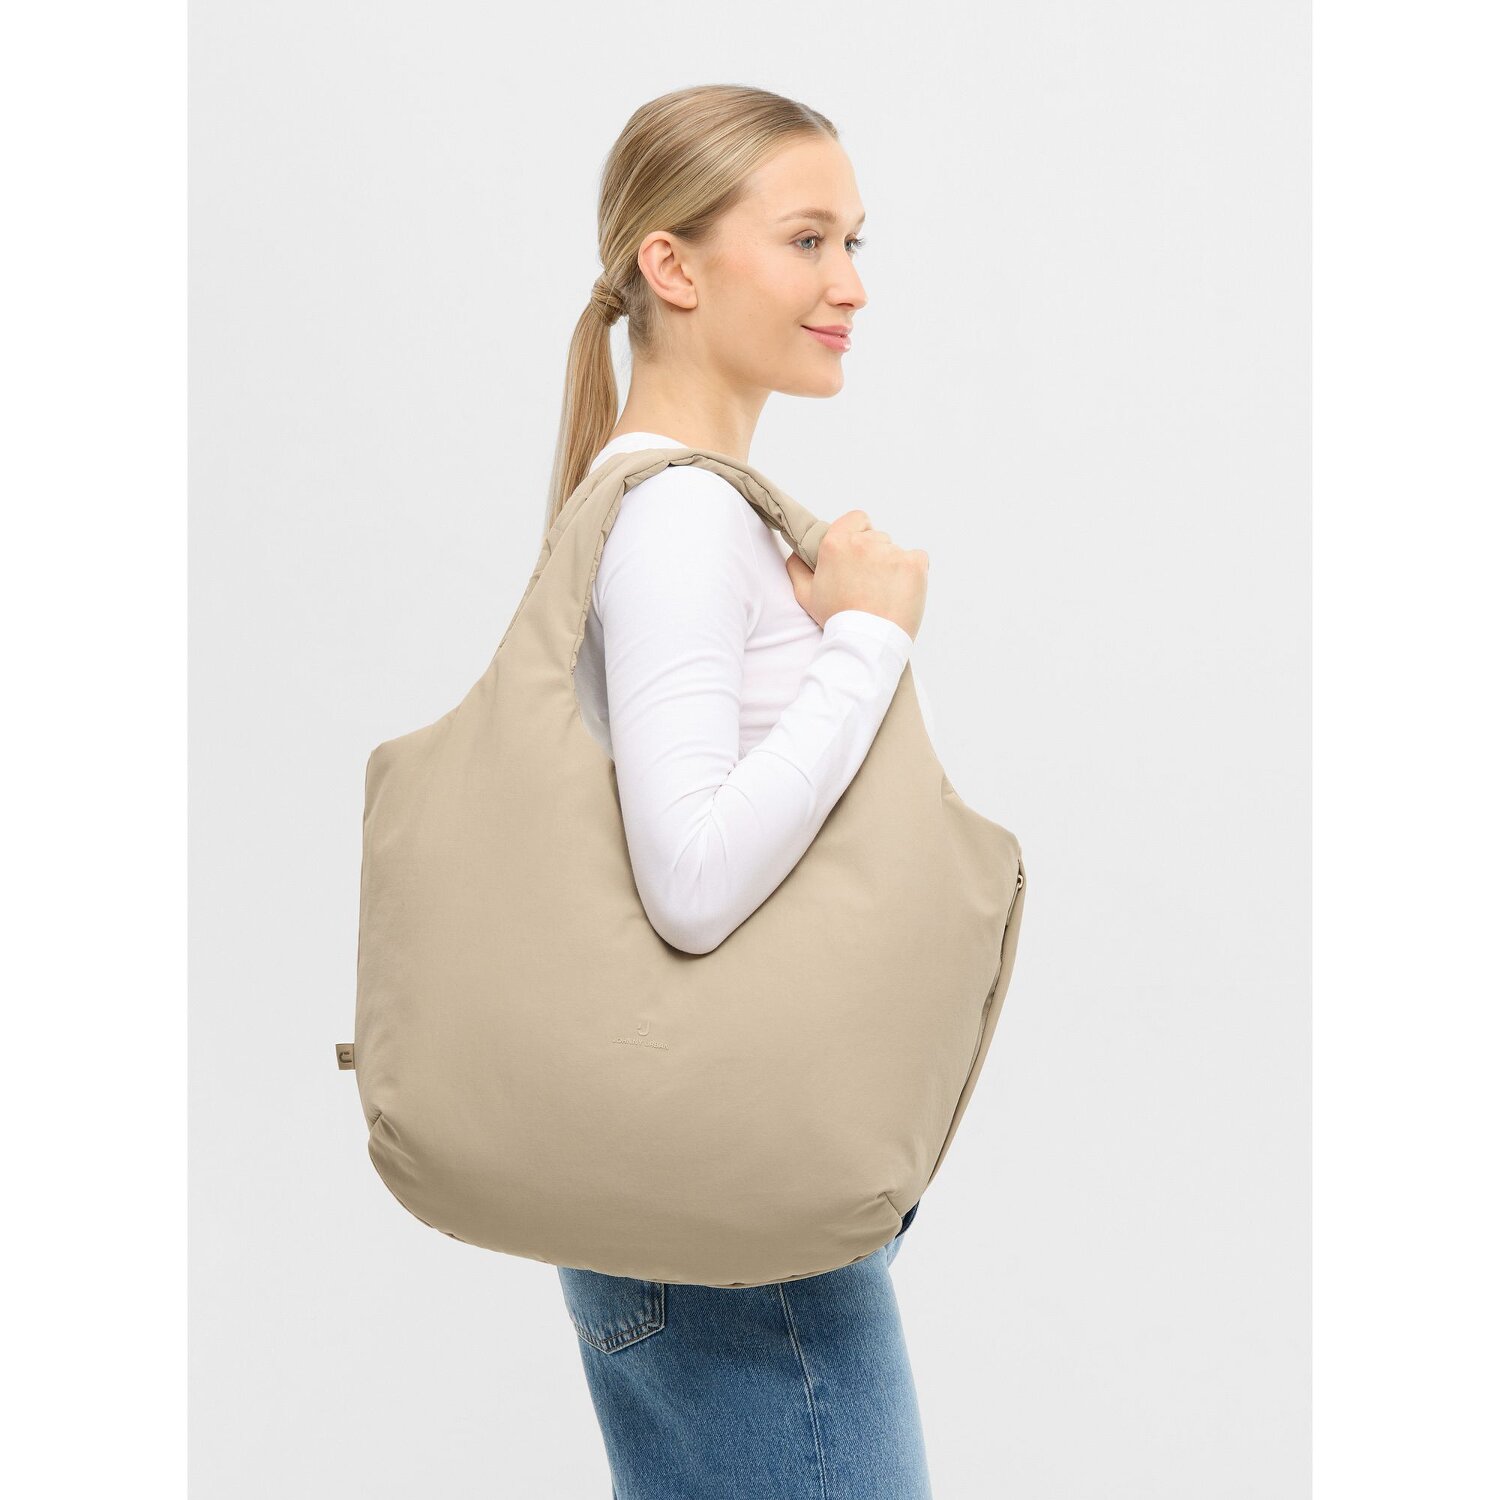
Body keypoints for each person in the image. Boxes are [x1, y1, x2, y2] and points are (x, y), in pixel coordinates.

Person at [549, 84, 935, 1500]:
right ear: (674, 265)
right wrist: (869, 639)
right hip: (737, 1232)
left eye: (853, 242)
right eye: (808, 240)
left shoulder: (663, 500)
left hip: (697, 1205)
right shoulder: (681, 515)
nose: (851, 285)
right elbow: (692, 881)